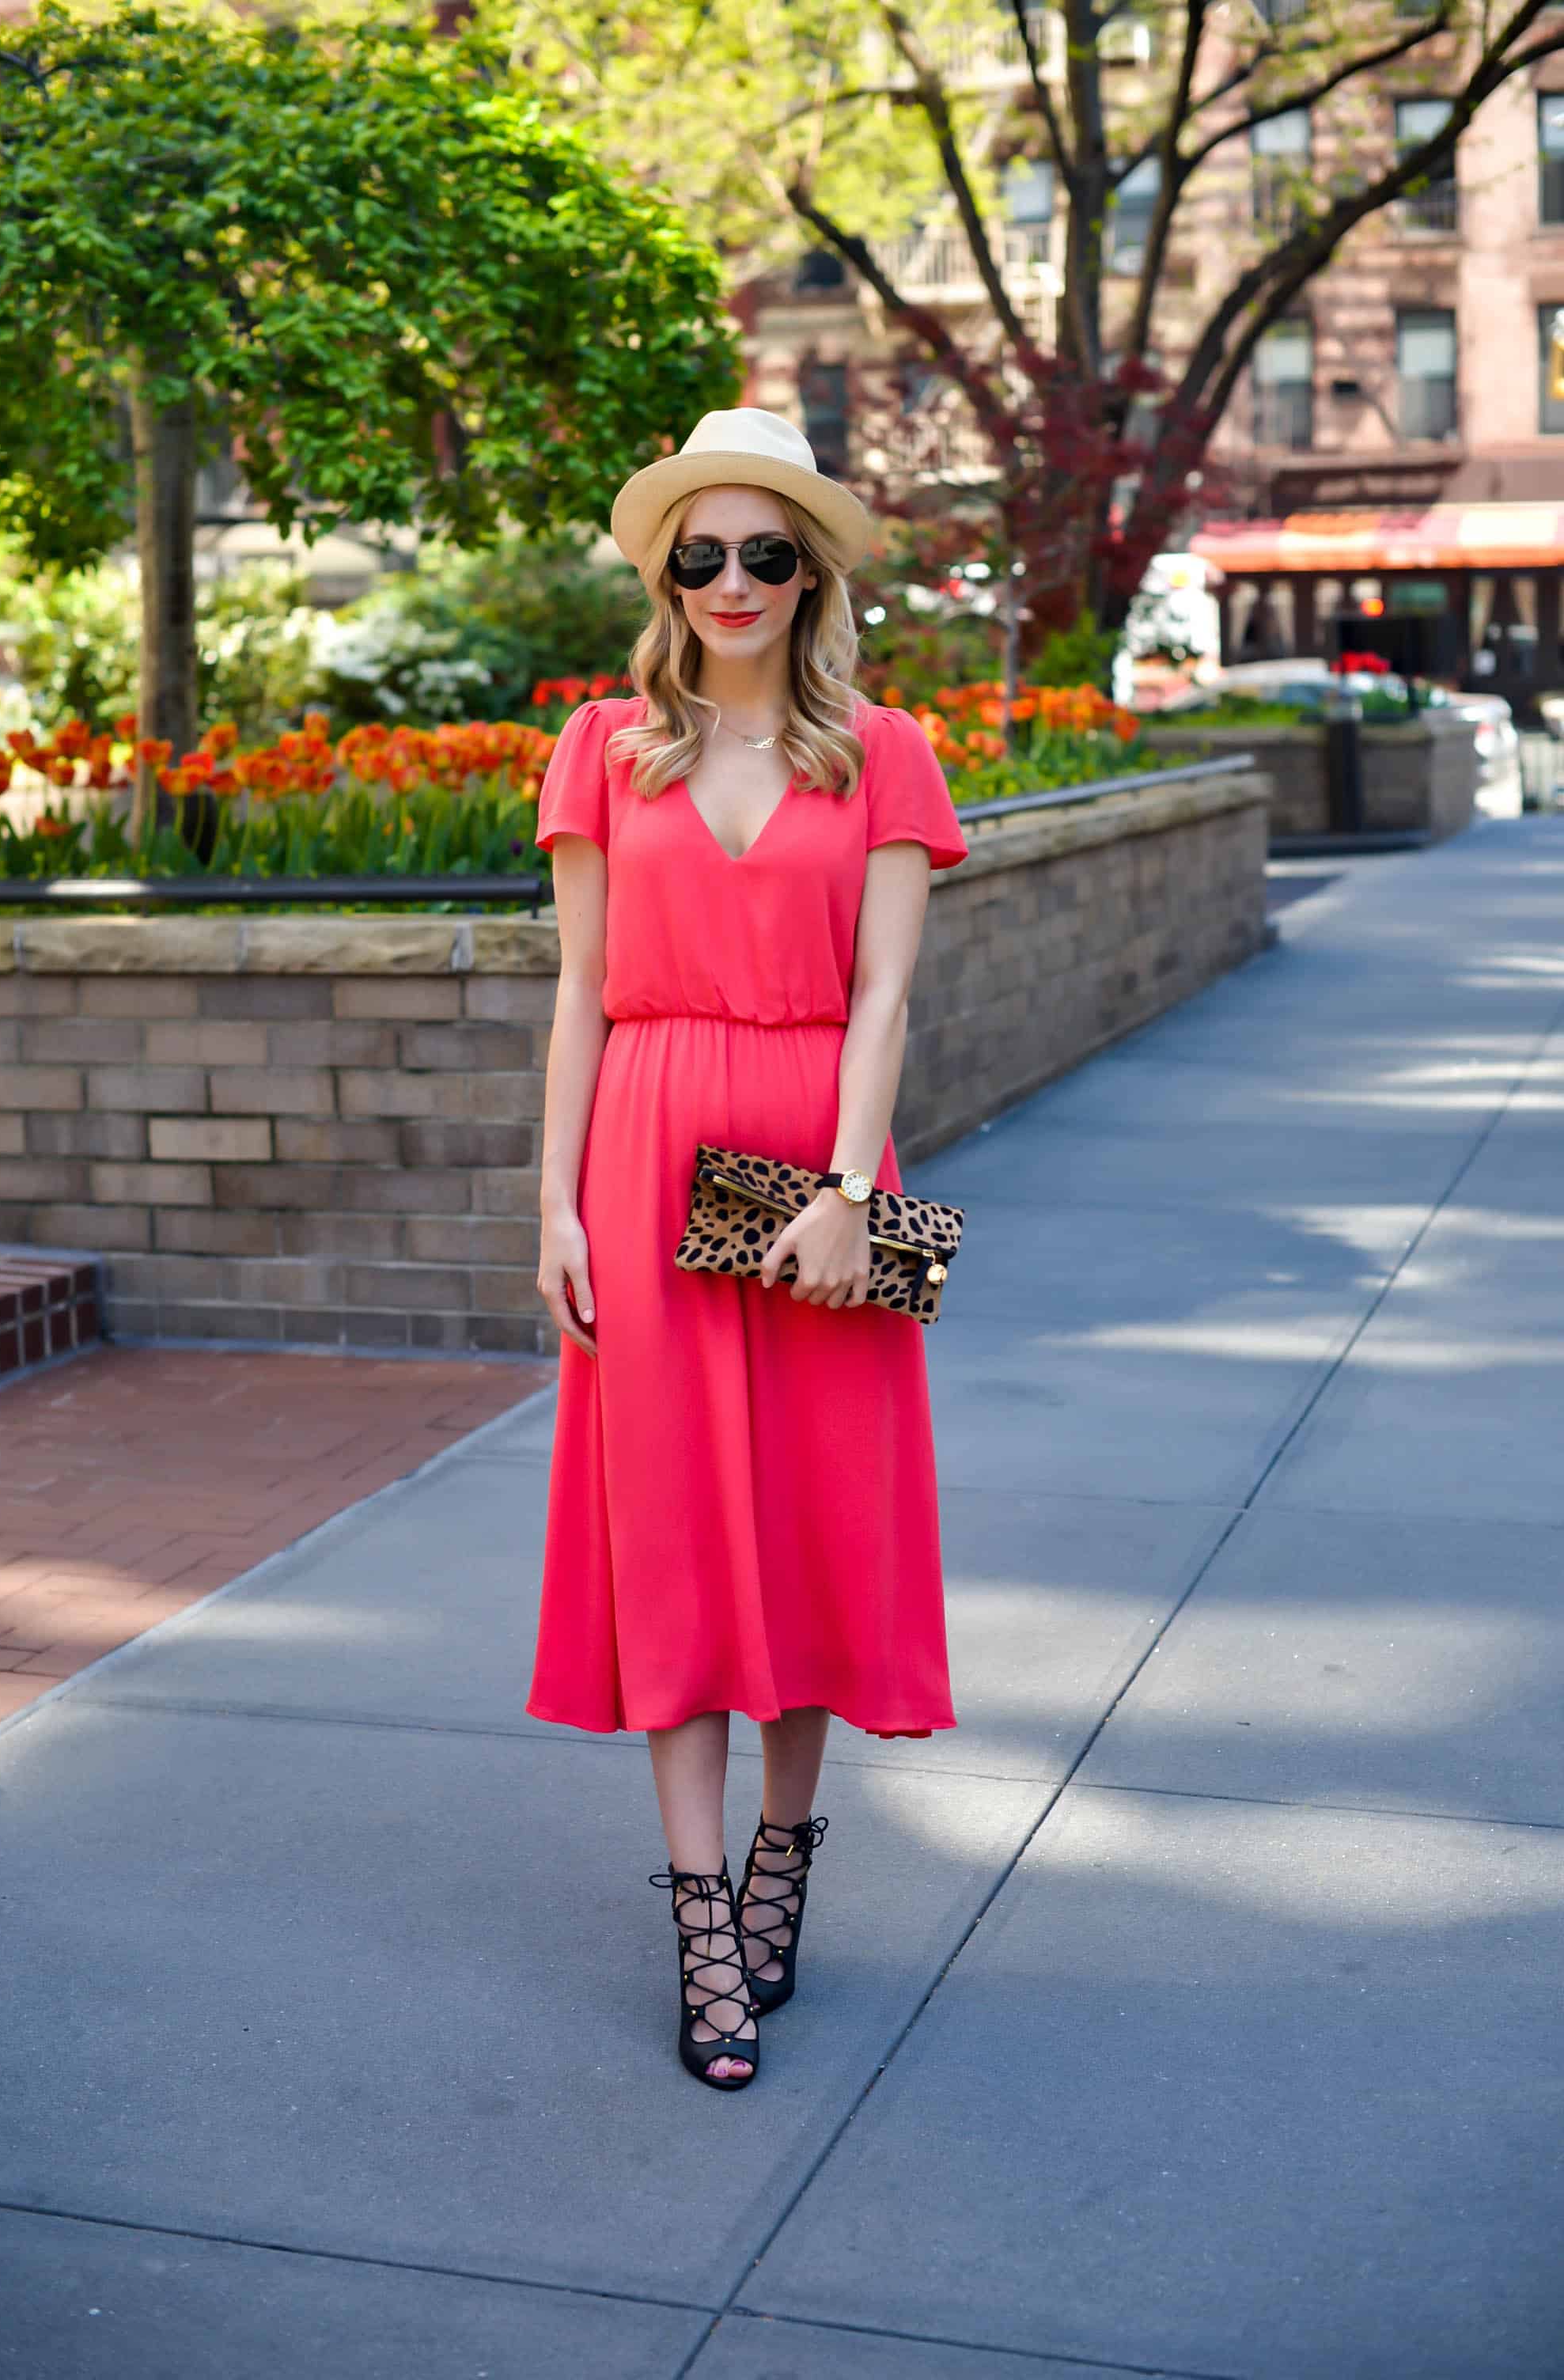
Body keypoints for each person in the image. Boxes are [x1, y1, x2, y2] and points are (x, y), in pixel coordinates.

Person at [530, 407, 969, 2091]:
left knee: (804, 1515)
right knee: (672, 1524)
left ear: (812, 572)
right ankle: (700, 1911)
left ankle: (787, 1851)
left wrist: (850, 1188)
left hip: (810, 1160)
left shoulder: (882, 751)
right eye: (696, 554)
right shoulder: (600, 747)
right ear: (661, 572)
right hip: (641, 1157)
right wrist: (550, 1199)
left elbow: (883, 997)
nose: (729, 581)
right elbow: (577, 987)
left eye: (763, 553)